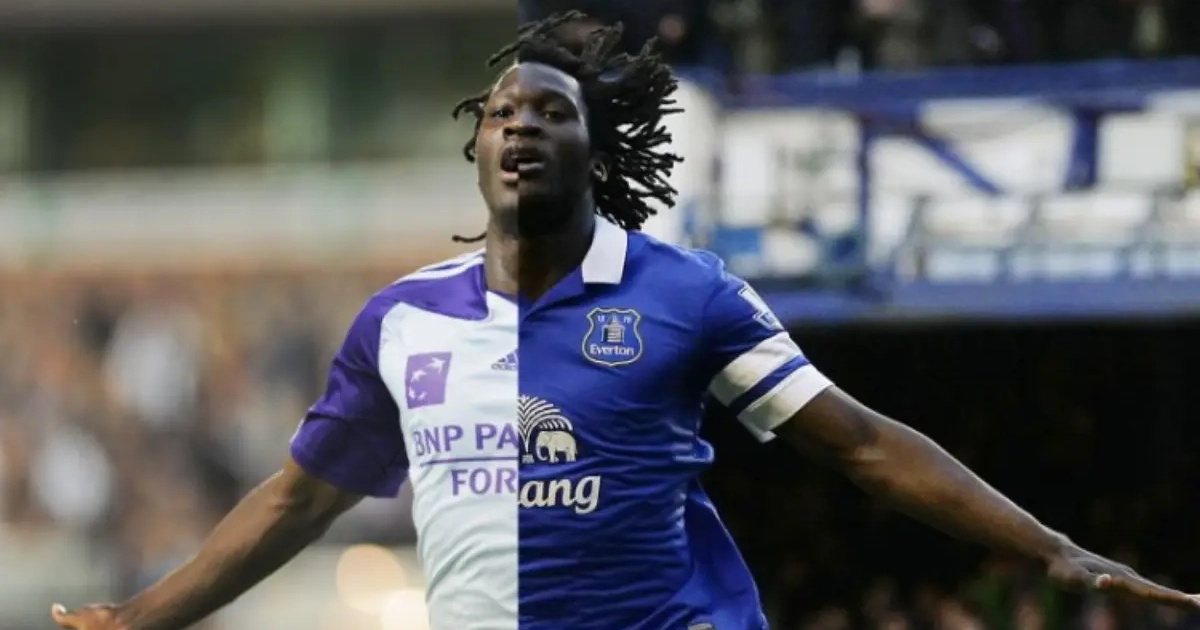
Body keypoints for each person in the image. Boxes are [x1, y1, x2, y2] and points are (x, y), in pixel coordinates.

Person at [52, 12, 1197, 630]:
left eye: (550, 113)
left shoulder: (685, 295)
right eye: (501, 113)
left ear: (596, 152)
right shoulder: (402, 322)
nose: (519, 125)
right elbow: (296, 499)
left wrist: (1050, 547)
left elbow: (858, 442)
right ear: (477, 148)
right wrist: (141, 619)